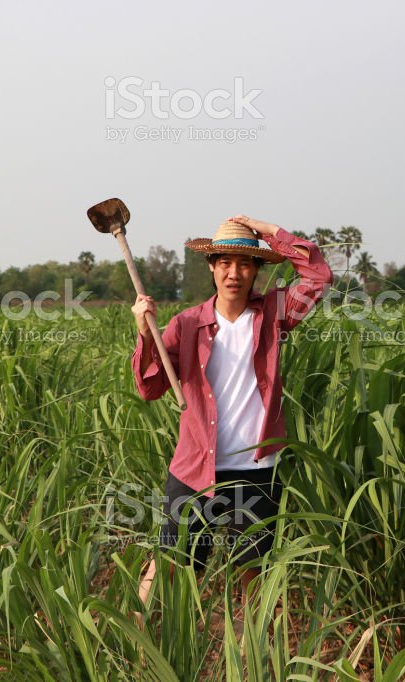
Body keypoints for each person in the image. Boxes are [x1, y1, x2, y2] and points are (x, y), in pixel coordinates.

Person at [129, 214, 333, 625]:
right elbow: (149, 388)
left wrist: (271, 232)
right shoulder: (186, 324)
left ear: (257, 269)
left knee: (252, 571)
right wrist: (146, 334)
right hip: (195, 469)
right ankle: (131, 642)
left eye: (244, 263)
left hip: (257, 468)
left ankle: (250, 655)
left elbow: (318, 277)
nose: (233, 273)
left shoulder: (274, 315)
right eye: (224, 262)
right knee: (170, 562)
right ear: (211, 267)